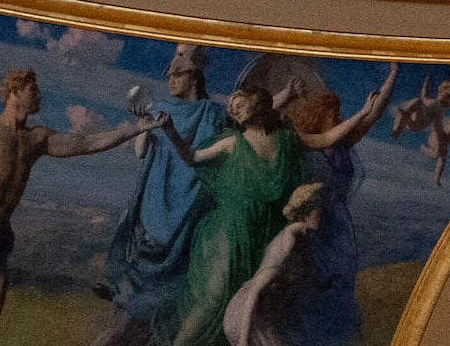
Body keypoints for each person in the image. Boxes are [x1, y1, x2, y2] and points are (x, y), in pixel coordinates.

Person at [0, 66, 160, 346]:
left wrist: (136, 129)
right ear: (15, 91)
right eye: (33, 90)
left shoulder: (36, 138)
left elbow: (84, 142)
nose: (39, 95)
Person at [152, 74, 387, 346]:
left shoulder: (287, 138)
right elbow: (191, 157)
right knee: (214, 298)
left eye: (240, 104)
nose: (234, 110)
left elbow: (325, 139)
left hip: (267, 232)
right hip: (232, 231)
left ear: (259, 103)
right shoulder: (232, 142)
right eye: (232, 107)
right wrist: (170, 130)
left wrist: (362, 113)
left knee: (261, 305)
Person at [94, 44, 233, 346]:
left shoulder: (214, 113)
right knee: (128, 316)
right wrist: (144, 126)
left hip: (191, 214)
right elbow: (140, 151)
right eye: (169, 75)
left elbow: (247, 118)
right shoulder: (160, 110)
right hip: (156, 212)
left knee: (169, 314)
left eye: (176, 75)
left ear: (193, 76)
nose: (170, 80)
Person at [280, 64, 400, 346]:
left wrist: (394, 73)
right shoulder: (303, 143)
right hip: (311, 222)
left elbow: (375, 111)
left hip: (338, 225)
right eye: (334, 114)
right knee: (311, 283)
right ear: (320, 116)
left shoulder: (344, 143)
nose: (339, 118)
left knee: (341, 281)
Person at [220, 185, 332, 346]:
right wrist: (243, 339)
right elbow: (256, 289)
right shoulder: (287, 242)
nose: (321, 215)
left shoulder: (302, 239)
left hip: (266, 313)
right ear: (306, 213)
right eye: (318, 211)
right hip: (247, 313)